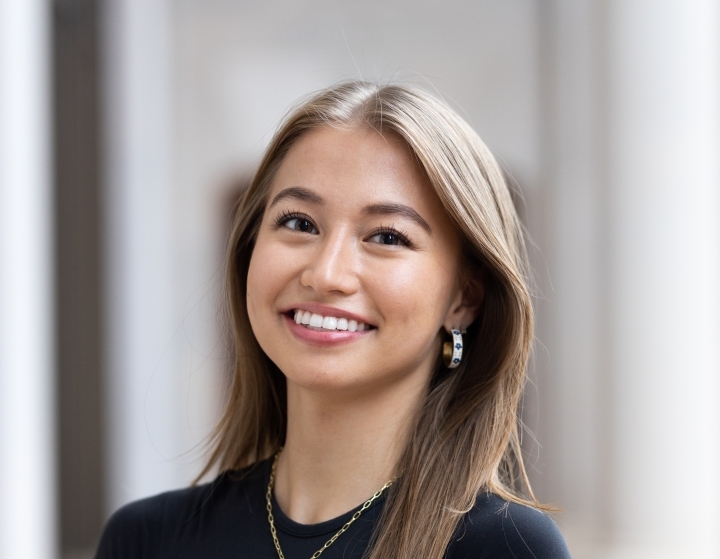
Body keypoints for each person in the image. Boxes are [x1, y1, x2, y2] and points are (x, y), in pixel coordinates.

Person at [95, 81, 572, 559]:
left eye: (386, 236)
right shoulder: (145, 541)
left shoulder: (508, 549)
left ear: (463, 300)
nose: (326, 275)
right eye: (299, 223)